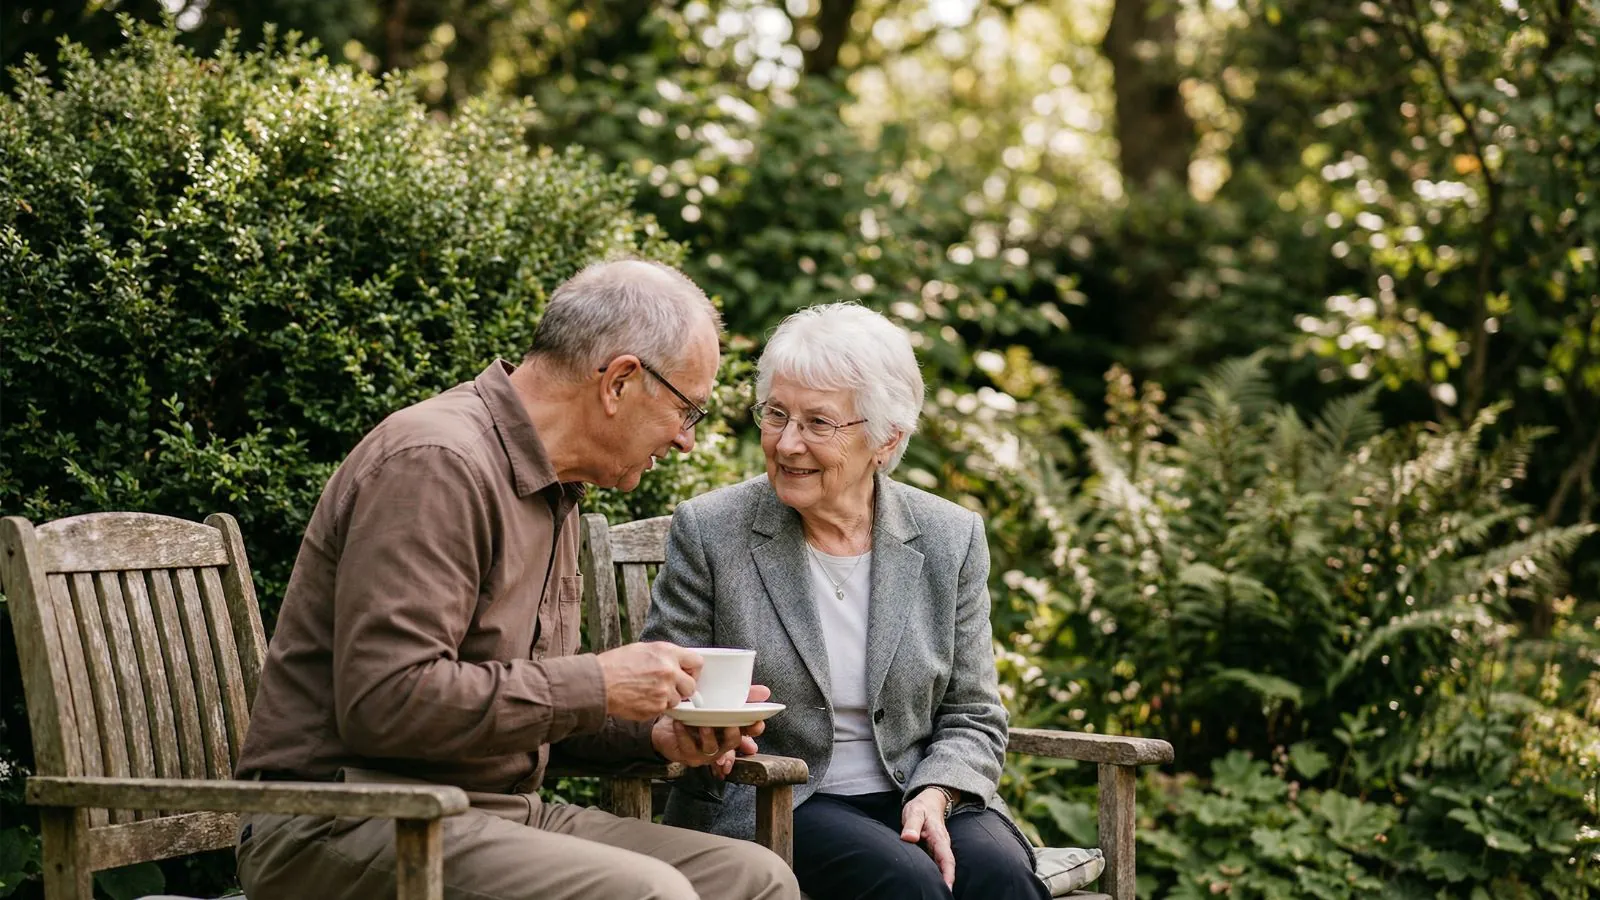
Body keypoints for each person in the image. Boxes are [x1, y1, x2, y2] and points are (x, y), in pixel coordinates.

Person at [233, 259, 800, 900]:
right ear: (619, 381)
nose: (685, 440)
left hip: (492, 813)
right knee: (649, 895)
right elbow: (386, 705)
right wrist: (599, 682)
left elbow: (514, 702)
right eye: (686, 410)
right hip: (346, 821)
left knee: (754, 879)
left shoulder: (554, 486)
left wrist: (656, 733)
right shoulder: (436, 464)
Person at [642, 302, 1048, 900]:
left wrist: (937, 794)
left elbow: (974, 713)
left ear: (886, 439)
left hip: (918, 789)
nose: (787, 443)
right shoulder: (713, 529)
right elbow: (662, 683)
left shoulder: (948, 536)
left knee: (1000, 877)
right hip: (779, 798)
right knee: (906, 882)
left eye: (818, 423)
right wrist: (706, 731)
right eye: (776, 414)